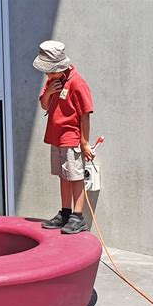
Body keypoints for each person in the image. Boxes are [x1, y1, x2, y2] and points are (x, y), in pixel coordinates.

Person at [33, 40, 94, 234]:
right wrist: (49, 92)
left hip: (71, 137)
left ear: (60, 66)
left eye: (50, 71)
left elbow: (85, 114)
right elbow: (44, 105)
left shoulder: (77, 83)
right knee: (63, 175)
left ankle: (78, 216)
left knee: (75, 176)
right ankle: (66, 212)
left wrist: (84, 143)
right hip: (56, 137)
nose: (47, 75)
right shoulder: (53, 81)